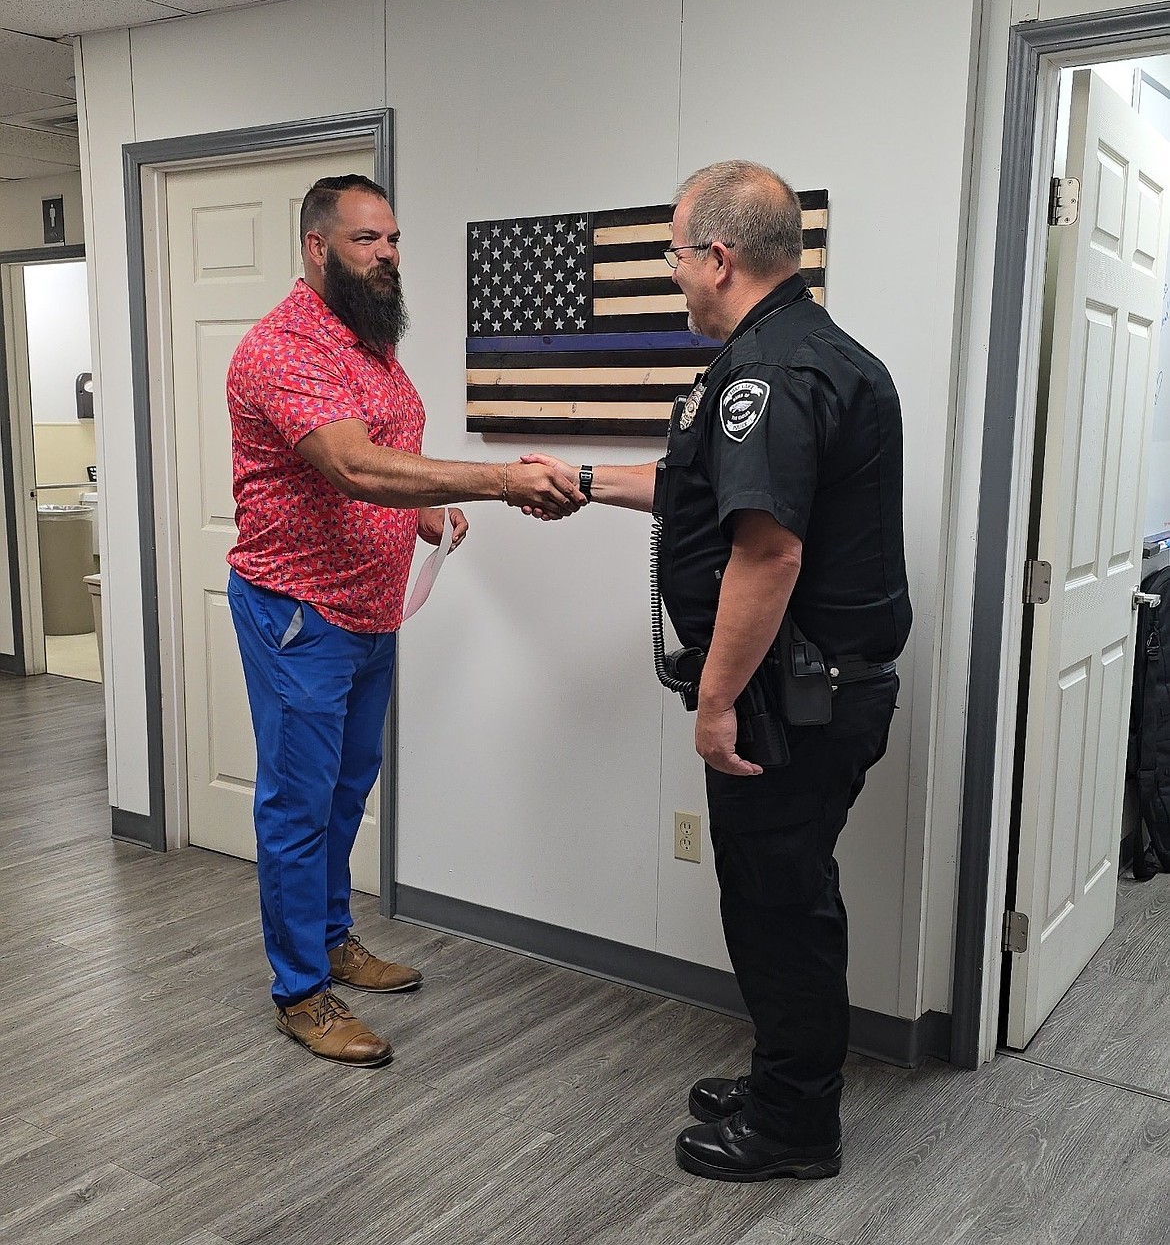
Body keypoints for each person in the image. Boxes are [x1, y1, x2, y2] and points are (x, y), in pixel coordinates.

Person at [522, 160, 911, 1180]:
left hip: (792, 694)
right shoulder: (804, 353)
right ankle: (787, 1076)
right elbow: (704, 487)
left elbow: (767, 551)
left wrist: (717, 701)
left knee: (779, 902)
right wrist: (584, 481)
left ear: (719, 257)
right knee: (774, 892)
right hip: (816, 686)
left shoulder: (768, 376)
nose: (675, 275)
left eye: (675, 255)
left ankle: (794, 1125)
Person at [227, 173, 582, 1068]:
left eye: (392, 239)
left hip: (368, 612)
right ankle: (301, 991)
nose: (387, 255)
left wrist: (419, 512)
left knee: (347, 790)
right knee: (298, 806)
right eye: (366, 241)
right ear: (317, 248)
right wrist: (496, 481)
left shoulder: (369, 341)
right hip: (297, 613)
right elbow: (352, 466)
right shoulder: (284, 347)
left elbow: (385, 455)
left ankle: (334, 937)